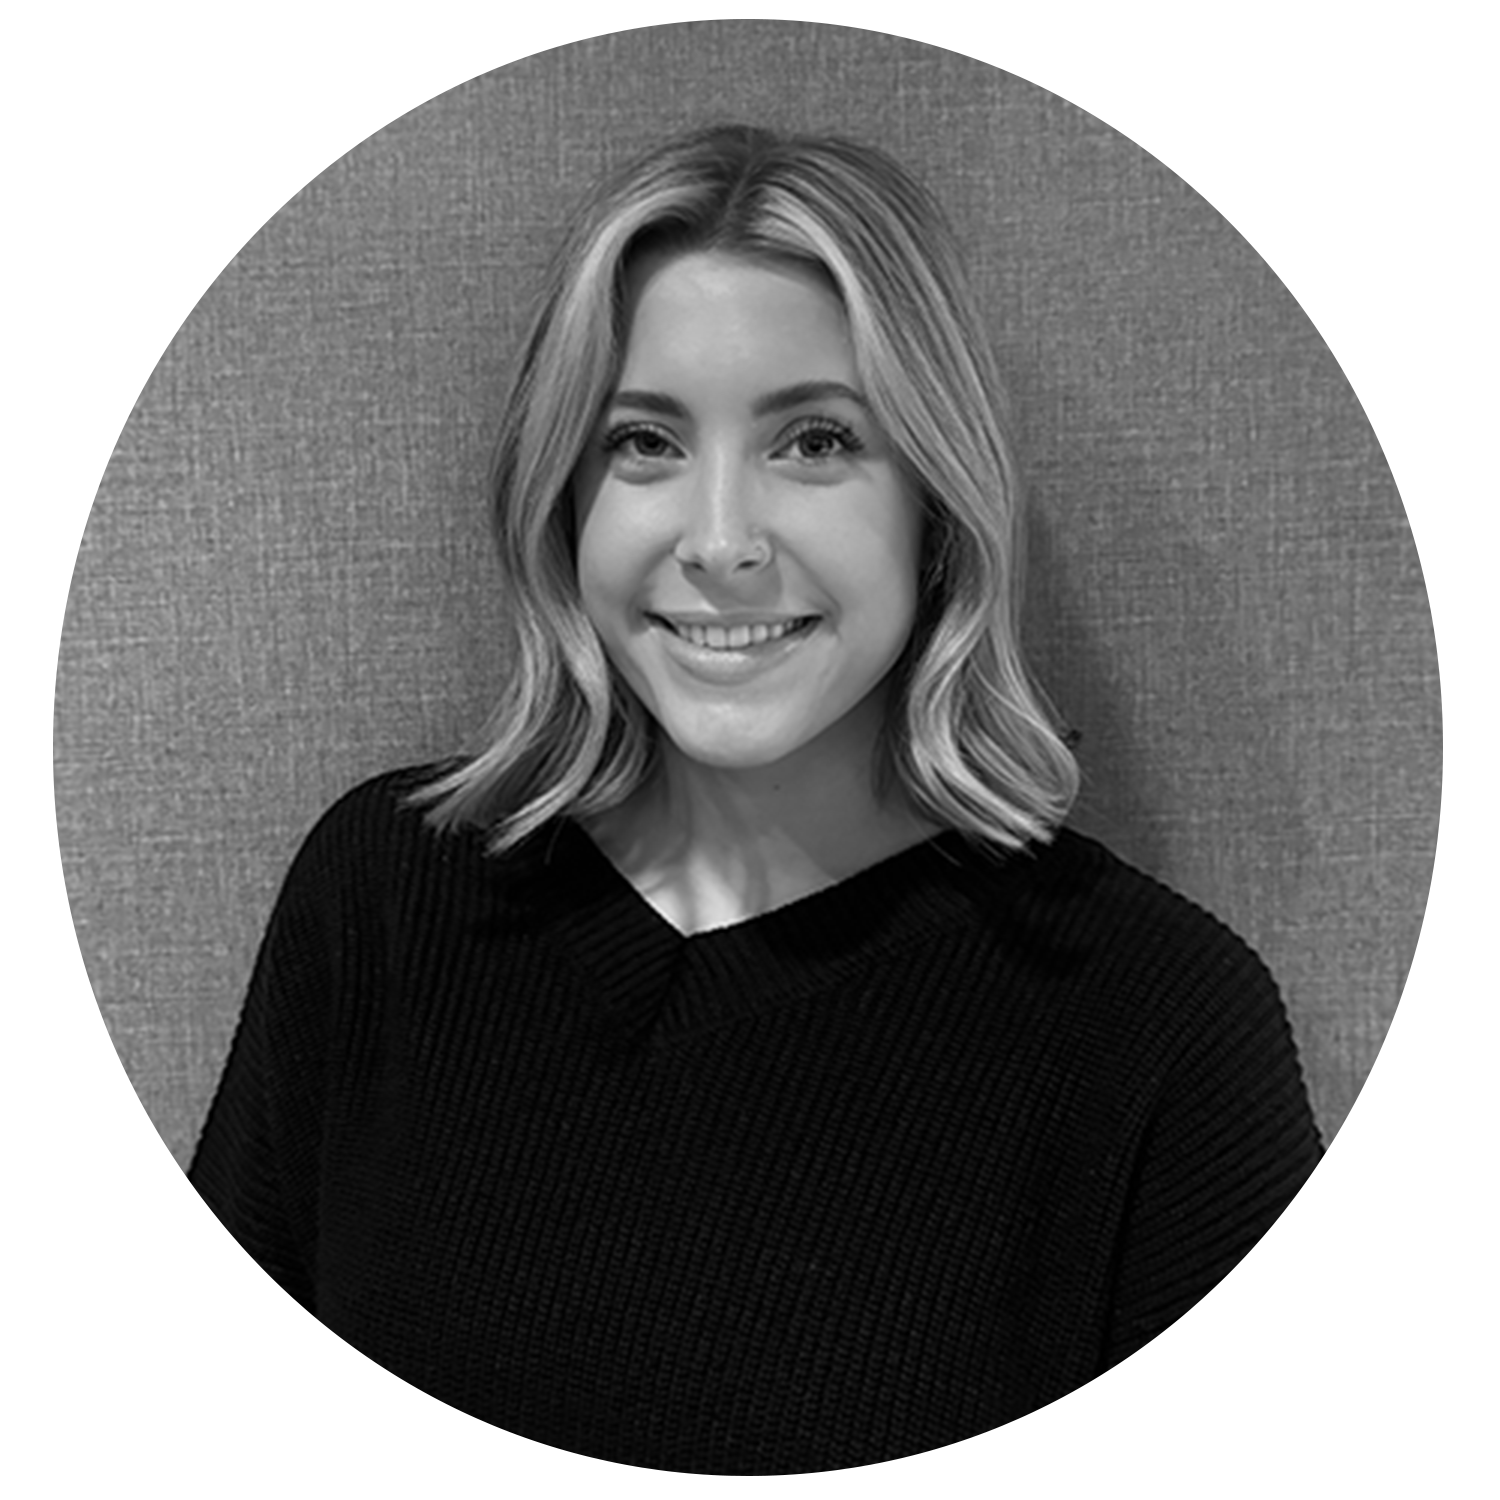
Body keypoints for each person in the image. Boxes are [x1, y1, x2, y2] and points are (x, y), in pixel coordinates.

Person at [152, 124, 1358, 1472]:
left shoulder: (1158, 1027)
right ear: (564, 498)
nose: (719, 540)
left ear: (938, 504)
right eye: (645, 443)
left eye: (816, 440)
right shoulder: (383, 895)